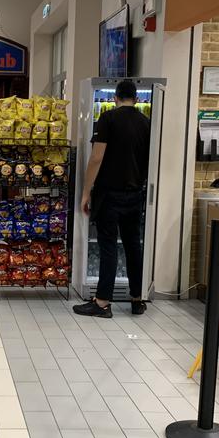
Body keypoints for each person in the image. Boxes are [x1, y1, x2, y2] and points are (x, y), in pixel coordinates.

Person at [74, 79, 150, 318]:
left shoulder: (108, 119)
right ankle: (137, 299)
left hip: (109, 194)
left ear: (115, 98)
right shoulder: (146, 123)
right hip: (135, 194)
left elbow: (96, 158)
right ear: (136, 99)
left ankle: (103, 302)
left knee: (108, 247)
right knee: (133, 246)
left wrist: (86, 192)